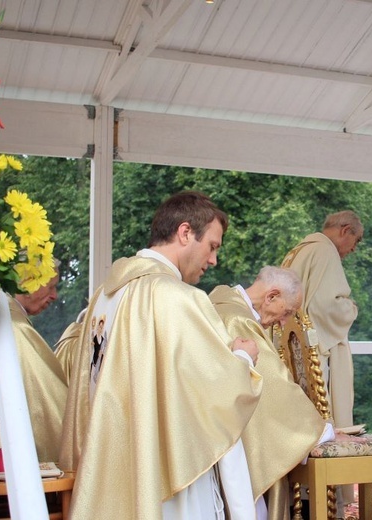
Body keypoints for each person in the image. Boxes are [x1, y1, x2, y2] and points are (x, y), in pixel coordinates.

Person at [59, 191, 263, 520]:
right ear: (185, 233)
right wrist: (243, 359)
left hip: (109, 467)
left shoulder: (104, 296)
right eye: (212, 246)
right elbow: (215, 397)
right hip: (167, 475)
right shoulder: (178, 298)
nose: (214, 261)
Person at [209, 266, 336, 520]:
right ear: (271, 296)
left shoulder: (221, 299)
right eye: (286, 312)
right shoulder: (239, 319)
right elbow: (273, 388)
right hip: (230, 439)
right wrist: (322, 432)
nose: (283, 322)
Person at [281, 210, 362, 429]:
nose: (354, 248)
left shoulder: (300, 250)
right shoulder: (325, 251)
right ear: (345, 230)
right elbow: (325, 306)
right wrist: (351, 309)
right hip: (314, 350)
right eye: (356, 241)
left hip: (292, 347)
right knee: (323, 419)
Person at [0, 262, 68, 469]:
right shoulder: (16, 329)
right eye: (50, 286)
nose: (54, 296)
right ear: (27, 281)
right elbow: (48, 400)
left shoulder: (2, 315)